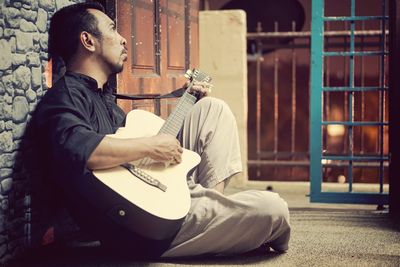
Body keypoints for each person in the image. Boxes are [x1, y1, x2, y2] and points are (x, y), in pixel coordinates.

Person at [30, 1, 291, 259]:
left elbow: (137, 155)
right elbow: (76, 148)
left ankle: (206, 205)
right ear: (88, 41)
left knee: (212, 109)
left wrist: (184, 108)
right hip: (136, 225)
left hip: (155, 195)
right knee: (273, 208)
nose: (123, 39)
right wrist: (151, 146)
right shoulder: (65, 96)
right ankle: (213, 219)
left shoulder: (103, 98)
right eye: (112, 29)